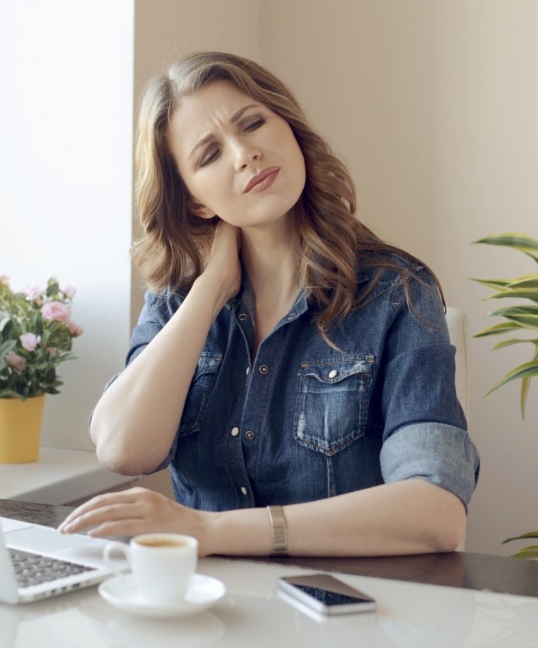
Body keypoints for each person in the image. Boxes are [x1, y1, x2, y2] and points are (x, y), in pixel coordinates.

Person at [59, 52, 479, 558]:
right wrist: (211, 288)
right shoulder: (178, 299)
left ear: (290, 128)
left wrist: (210, 532)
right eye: (209, 155)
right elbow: (123, 449)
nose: (244, 154)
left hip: (349, 613)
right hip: (206, 611)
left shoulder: (397, 292)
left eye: (253, 124)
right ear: (196, 201)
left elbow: (436, 514)